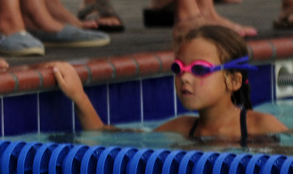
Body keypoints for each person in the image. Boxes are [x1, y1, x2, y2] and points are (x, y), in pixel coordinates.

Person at [52, 25, 287, 141]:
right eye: (178, 68)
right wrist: (78, 95)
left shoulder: (262, 126)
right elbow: (106, 135)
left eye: (199, 70)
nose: (184, 77)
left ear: (234, 81)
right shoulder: (182, 129)